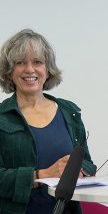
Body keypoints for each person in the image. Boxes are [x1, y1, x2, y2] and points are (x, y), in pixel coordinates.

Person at [0, 29, 97, 214]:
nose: (30, 69)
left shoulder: (69, 112)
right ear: (10, 71)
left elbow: (87, 162)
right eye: (20, 63)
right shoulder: (2, 117)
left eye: (37, 62)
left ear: (47, 68)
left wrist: (80, 171)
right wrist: (42, 175)